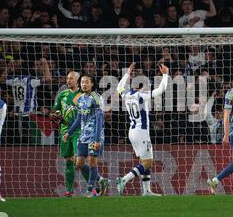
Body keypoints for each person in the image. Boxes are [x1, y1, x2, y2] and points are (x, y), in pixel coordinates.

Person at [51, 71, 109, 197]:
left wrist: (98, 139)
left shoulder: (96, 98)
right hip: (83, 135)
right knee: (79, 163)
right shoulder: (81, 99)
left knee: (92, 162)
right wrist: (69, 133)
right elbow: (78, 118)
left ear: (92, 84)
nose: (84, 84)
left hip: (94, 135)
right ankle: (101, 180)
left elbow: (100, 119)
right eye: (82, 82)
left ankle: (91, 190)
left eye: (86, 82)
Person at [116, 62, 169, 196]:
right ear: (143, 86)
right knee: (148, 162)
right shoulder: (142, 96)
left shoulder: (126, 94)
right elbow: (161, 90)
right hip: (141, 132)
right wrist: (165, 75)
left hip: (132, 131)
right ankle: (124, 179)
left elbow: (119, 87)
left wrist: (127, 73)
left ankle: (146, 191)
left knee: (146, 160)